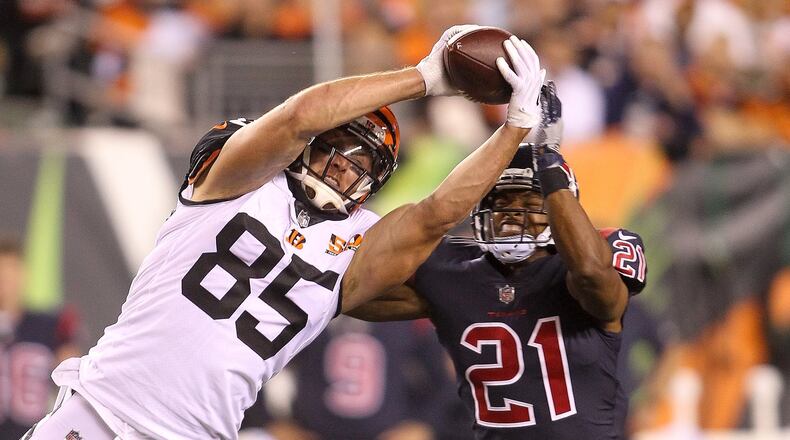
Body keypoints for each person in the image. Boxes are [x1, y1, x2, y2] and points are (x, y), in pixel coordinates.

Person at [24, 28, 547, 440]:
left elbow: (437, 214)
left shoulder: (360, 243)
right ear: (311, 146)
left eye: (362, 161)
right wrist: (426, 77)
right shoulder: (242, 180)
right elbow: (301, 116)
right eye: (338, 146)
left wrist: (516, 124)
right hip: (102, 407)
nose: (344, 167)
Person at [348, 83, 648, 439]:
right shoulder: (454, 271)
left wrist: (550, 167)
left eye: (529, 204)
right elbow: (350, 294)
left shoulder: (594, 257)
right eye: (502, 204)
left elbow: (592, 274)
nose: (512, 216)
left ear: (559, 206)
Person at [239, 315, 473, 440]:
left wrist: (424, 425)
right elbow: (251, 361)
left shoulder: (408, 317)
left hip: (388, 433)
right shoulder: (311, 307)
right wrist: (269, 422)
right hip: (308, 432)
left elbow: (449, 383)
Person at [0, 236, 81, 440]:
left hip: (30, 432)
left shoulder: (48, 325)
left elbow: (73, 381)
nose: (8, 280)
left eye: (13, 270)